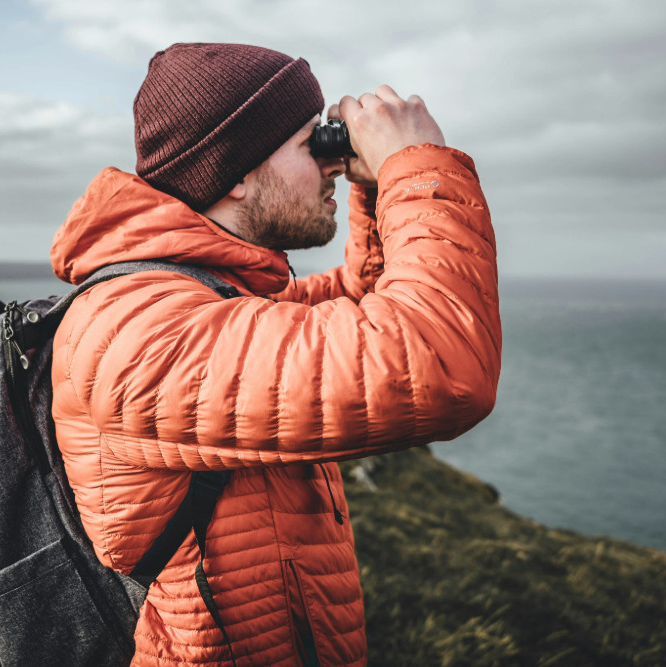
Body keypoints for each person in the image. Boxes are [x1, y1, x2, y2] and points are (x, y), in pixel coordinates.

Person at [49, 42, 501, 667]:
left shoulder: (210, 299)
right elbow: (439, 364)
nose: (333, 166)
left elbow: (364, 308)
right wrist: (415, 166)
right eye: (310, 144)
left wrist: (374, 191)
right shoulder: (140, 330)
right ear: (236, 171)